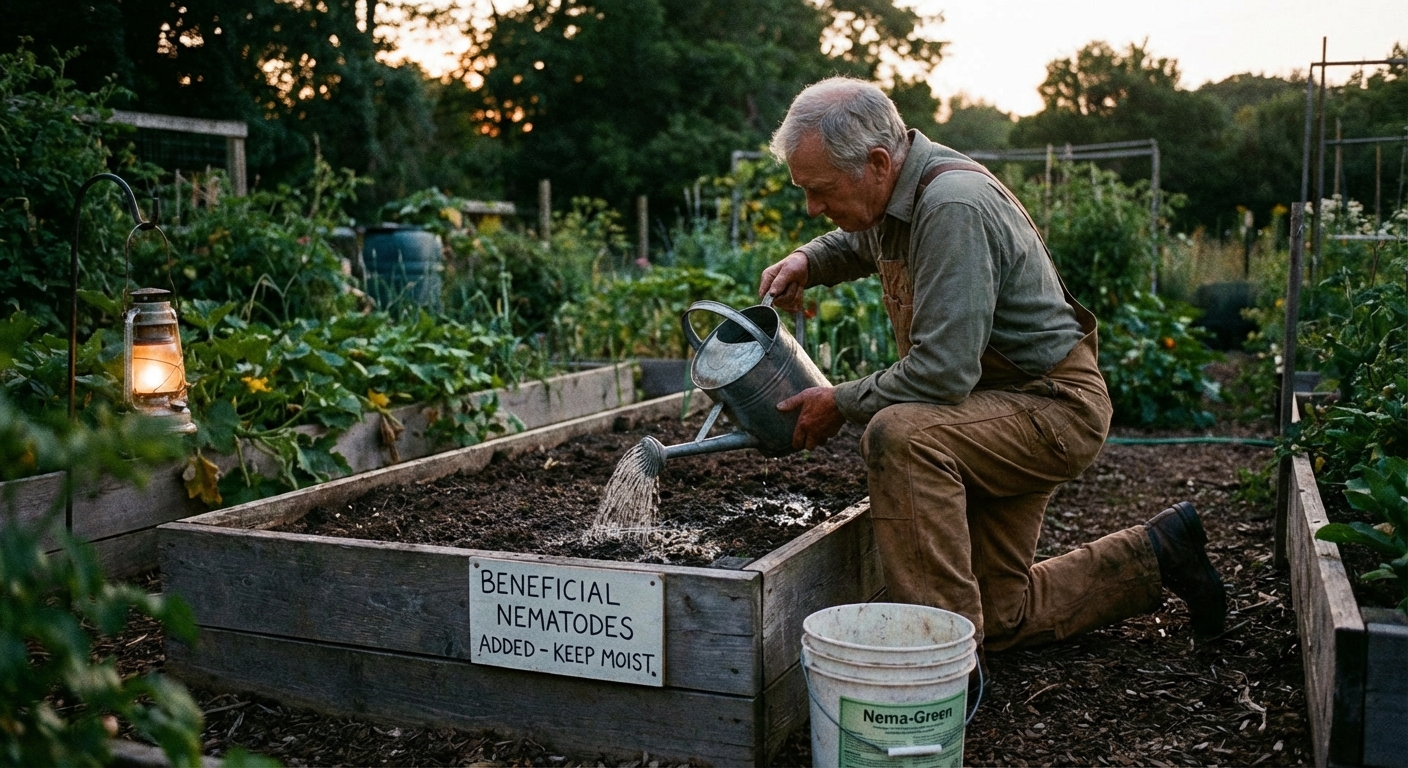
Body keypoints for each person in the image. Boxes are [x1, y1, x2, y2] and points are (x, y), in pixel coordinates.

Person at [758, 77, 1227, 653]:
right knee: (1000, 613)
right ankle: (1159, 553)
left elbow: (941, 375)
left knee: (901, 437)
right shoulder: (896, 193)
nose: (813, 207)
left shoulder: (952, 206)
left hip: (1049, 408)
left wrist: (840, 401)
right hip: (994, 408)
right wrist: (808, 257)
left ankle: (941, 663)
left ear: (877, 163)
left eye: (821, 190)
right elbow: (860, 241)